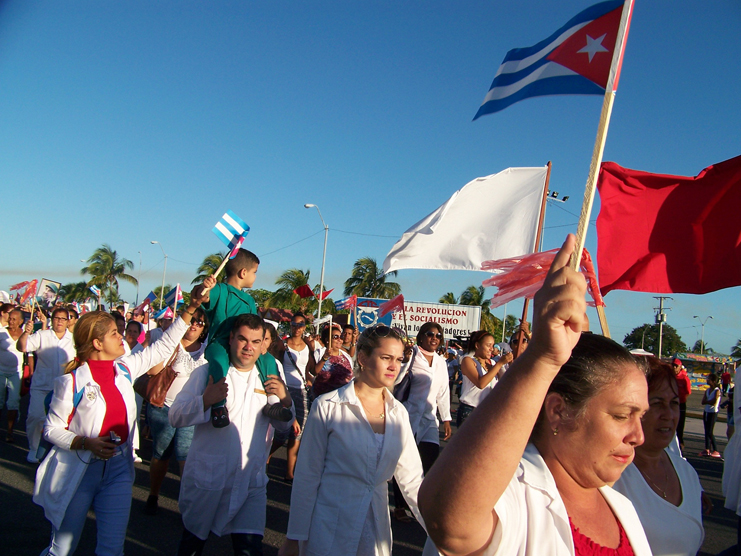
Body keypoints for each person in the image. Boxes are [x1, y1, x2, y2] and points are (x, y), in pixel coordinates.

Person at [419, 235, 653, 556]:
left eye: (641, 415)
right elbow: (449, 523)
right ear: (557, 410)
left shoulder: (624, 509)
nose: (639, 436)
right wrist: (543, 356)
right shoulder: (509, 499)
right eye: (621, 415)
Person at [32, 291, 204, 556]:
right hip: (78, 472)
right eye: (114, 333)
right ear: (97, 343)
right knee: (62, 549)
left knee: (112, 550)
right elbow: (51, 430)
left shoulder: (123, 369)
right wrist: (84, 442)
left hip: (119, 471)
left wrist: (190, 308)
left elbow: (163, 346)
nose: (121, 336)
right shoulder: (71, 382)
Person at [279, 324, 425, 556]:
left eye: (399, 359)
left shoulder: (399, 413)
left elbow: (412, 480)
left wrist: (440, 532)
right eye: (386, 357)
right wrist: (294, 537)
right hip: (329, 526)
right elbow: (308, 476)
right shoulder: (327, 406)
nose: (393, 366)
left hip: (377, 532)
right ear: (364, 357)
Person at [169, 313, 294, 556]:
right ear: (230, 339)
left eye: (256, 342)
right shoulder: (207, 374)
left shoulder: (269, 377)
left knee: (249, 549)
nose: (249, 347)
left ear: (262, 345)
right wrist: (205, 400)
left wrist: (286, 400)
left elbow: (282, 427)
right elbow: (175, 416)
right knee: (192, 545)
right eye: (242, 339)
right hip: (210, 478)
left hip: (251, 482)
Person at [613, 357, 707, 556]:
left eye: (673, 403)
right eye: (656, 403)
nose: (668, 414)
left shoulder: (687, 473)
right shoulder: (612, 475)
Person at [198, 249, 281, 428]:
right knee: (218, 362)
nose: (255, 277)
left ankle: (273, 402)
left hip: (245, 345)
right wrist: (204, 287)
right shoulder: (219, 290)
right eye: (254, 272)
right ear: (243, 273)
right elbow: (202, 297)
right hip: (220, 343)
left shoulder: (250, 301)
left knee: (267, 359)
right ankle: (218, 407)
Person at [143, 308, 209, 515]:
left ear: (204, 328)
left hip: (191, 412)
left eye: (200, 322)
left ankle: (186, 504)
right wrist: (169, 345)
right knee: (161, 454)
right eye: (192, 320)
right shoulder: (170, 344)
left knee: (186, 457)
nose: (195, 325)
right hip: (164, 408)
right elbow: (153, 371)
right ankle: (153, 494)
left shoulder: (208, 349)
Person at [392, 321, 452, 523]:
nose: (434, 338)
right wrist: (404, 362)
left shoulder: (441, 362)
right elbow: (397, 381)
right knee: (404, 462)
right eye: (430, 334)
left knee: (430, 462)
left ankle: (418, 504)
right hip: (409, 415)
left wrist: (446, 418)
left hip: (429, 420)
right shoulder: (412, 355)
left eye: (438, 335)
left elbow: (443, 392)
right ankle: (400, 506)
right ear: (420, 337)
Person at [17, 306, 76, 463]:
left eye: (63, 319)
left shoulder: (74, 339)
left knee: (61, 422)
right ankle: (34, 448)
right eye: (57, 318)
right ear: (52, 320)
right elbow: (22, 347)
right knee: (35, 417)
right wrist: (26, 332)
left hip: (63, 388)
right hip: (41, 384)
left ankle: (56, 452)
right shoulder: (42, 335)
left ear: (68, 321)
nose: (60, 322)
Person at [272, 312, 317, 482]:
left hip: (301, 391)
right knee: (282, 430)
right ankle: (267, 454)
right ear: (290, 326)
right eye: (294, 324)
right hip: (284, 389)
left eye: (300, 325)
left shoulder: (307, 345)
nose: (297, 328)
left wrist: (311, 380)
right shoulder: (282, 344)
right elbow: (276, 365)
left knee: (298, 431)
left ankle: (289, 472)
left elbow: (311, 369)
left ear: (305, 327)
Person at [456, 330, 512, 427]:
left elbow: (507, 383)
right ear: (477, 345)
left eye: (493, 346)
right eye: (488, 345)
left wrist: (510, 364)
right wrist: (499, 364)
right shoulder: (468, 361)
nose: (491, 349)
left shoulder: (493, 363)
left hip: (487, 410)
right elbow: (481, 383)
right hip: (470, 410)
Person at [0, 308, 24, 442]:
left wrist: (30, 373)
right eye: (10, 318)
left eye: (14, 319)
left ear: (20, 321)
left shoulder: (25, 334)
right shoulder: (2, 333)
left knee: (13, 403)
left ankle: (10, 431)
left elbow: (29, 354)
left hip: (16, 374)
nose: (11, 321)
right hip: (0, 372)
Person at [700, 373, 722, 458]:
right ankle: (707, 449)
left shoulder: (717, 390)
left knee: (710, 431)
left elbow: (714, 402)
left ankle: (716, 450)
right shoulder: (707, 390)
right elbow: (703, 401)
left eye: (709, 379)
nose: (707, 380)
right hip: (706, 411)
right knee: (706, 430)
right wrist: (708, 401)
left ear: (713, 381)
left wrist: (707, 401)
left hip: (713, 412)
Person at [672, 358, 692, 451]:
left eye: (676, 366)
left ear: (680, 367)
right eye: (673, 365)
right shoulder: (671, 377)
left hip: (681, 404)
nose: (674, 367)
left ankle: (680, 443)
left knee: (680, 425)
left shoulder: (684, 378)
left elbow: (688, 392)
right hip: (672, 404)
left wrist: (681, 399)